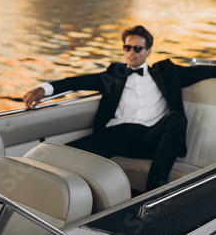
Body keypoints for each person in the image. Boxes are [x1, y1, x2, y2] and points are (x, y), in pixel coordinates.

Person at [23, 25, 216, 191]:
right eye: (127, 47)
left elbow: (203, 71)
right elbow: (79, 81)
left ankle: (154, 191)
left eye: (137, 48)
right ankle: (32, 173)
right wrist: (43, 89)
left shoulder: (167, 72)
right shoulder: (114, 75)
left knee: (176, 118)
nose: (131, 52)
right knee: (66, 153)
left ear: (148, 50)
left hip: (152, 140)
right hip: (118, 137)